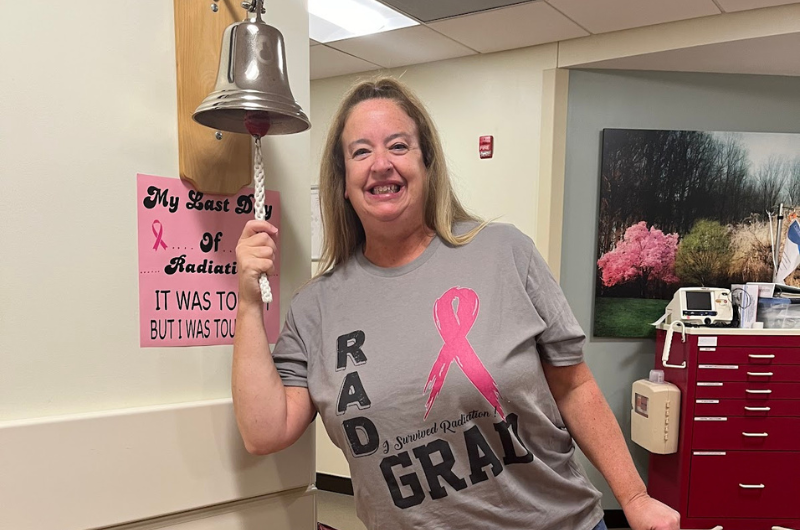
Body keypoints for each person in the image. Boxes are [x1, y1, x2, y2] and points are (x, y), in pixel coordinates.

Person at [232, 77, 680, 530]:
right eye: (361, 152)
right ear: (343, 181)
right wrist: (248, 301)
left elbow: (573, 386)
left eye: (399, 146)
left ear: (427, 164)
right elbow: (264, 431)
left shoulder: (504, 252)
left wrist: (635, 497)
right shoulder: (315, 308)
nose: (381, 164)